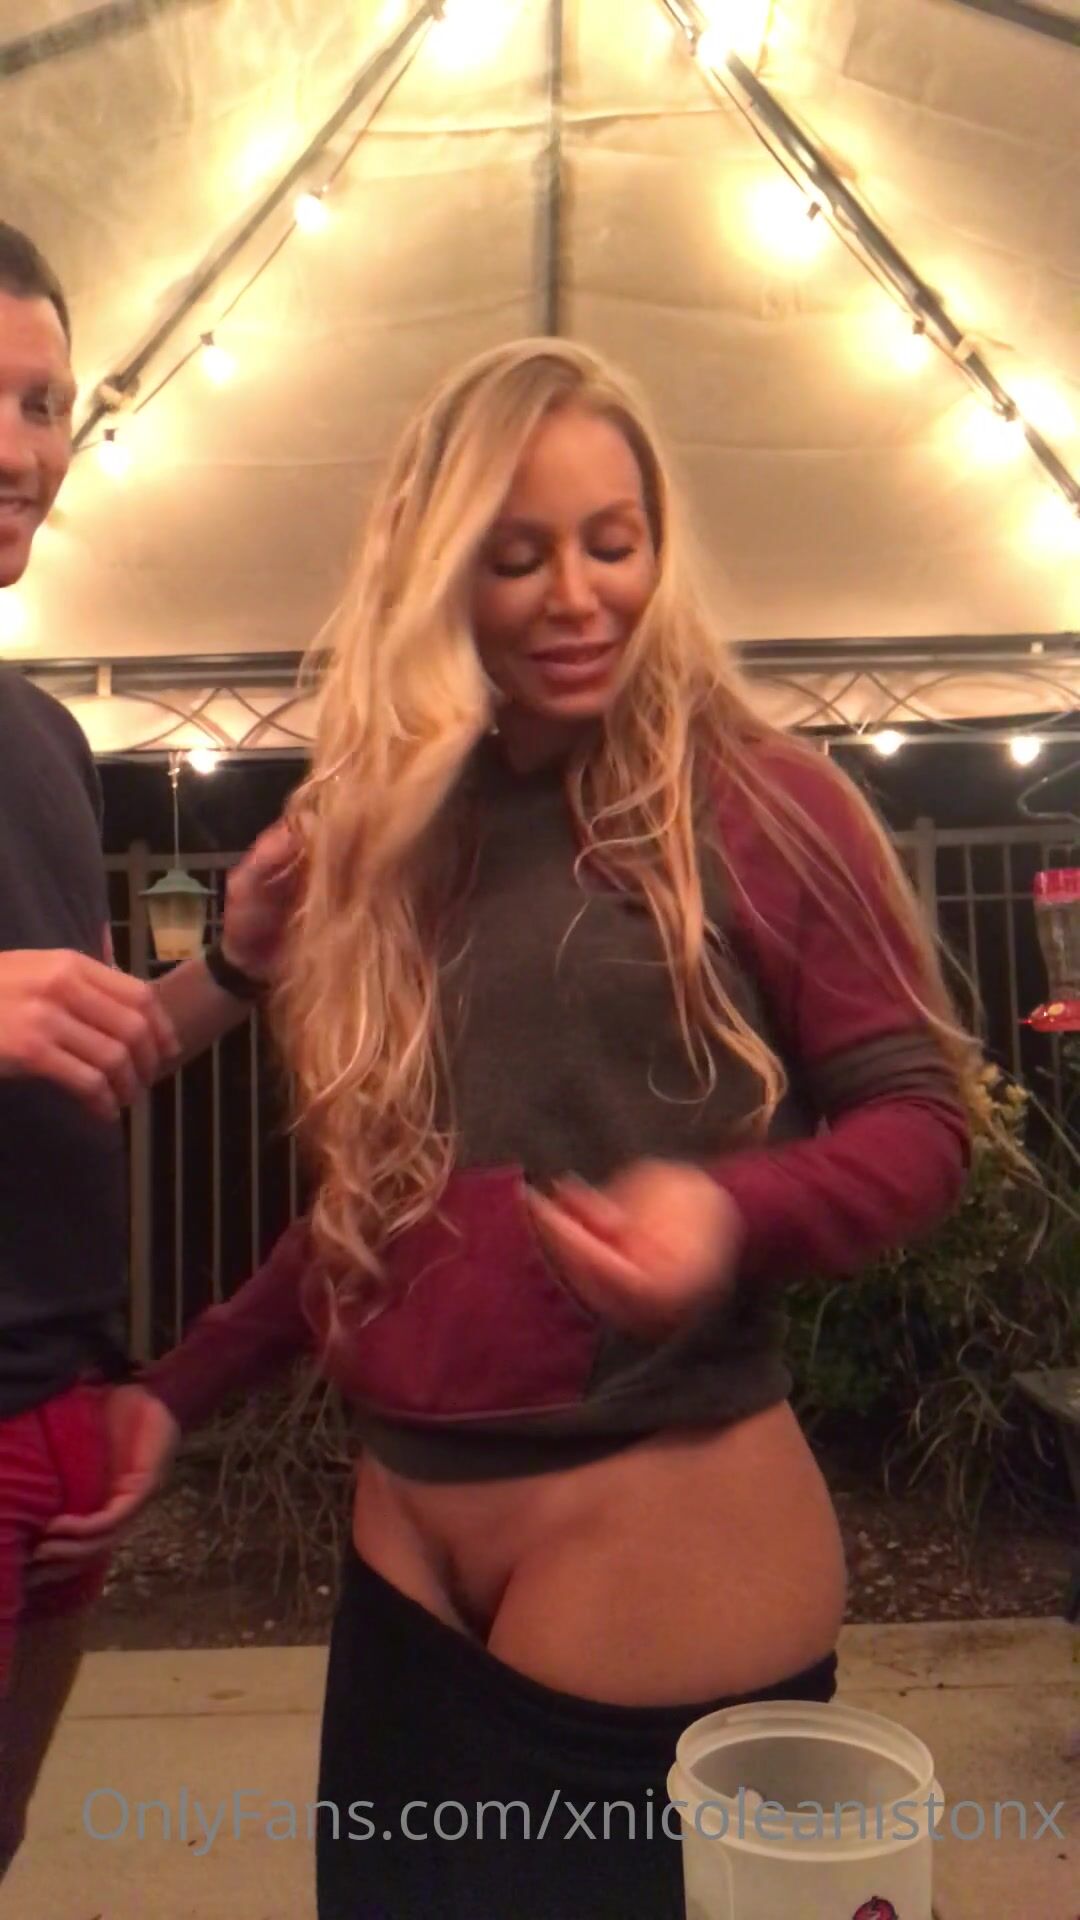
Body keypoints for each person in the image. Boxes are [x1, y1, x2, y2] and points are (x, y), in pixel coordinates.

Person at [53, 338, 975, 1917]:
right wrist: (179, 1391)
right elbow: (382, 1214)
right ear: (439, 575)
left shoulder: (763, 803)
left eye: (614, 543)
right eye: (517, 554)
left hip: (659, 1556)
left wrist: (729, 1213)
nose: (577, 596)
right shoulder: (395, 840)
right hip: (403, 1574)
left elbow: (926, 1122)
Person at [0, 222, 296, 1879]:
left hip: (70, 1408)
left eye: (44, 404)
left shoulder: (47, 736)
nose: (20, 450)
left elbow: (95, 1055)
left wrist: (238, 966)